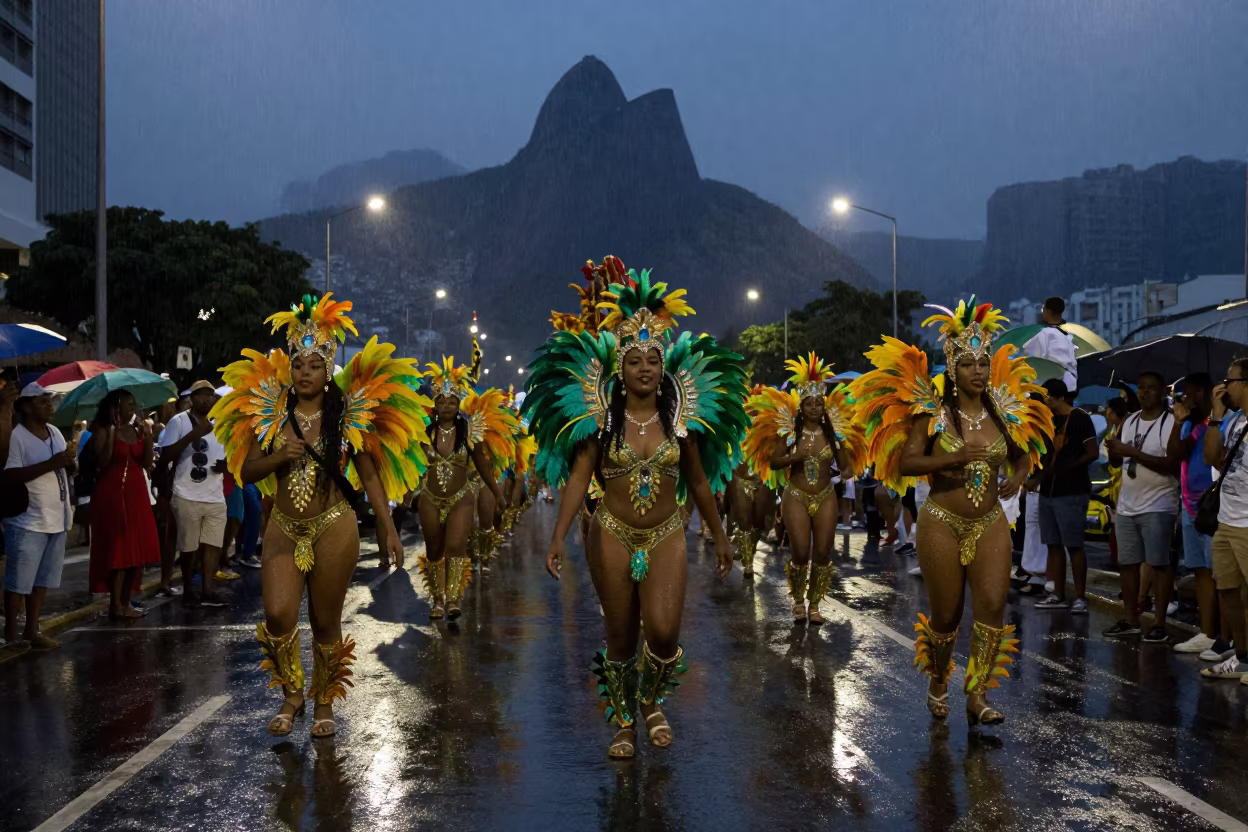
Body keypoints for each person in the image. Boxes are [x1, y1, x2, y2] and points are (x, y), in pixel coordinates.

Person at [525, 261, 748, 759]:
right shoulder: (600, 423)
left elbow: (698, 483)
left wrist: (721, 535)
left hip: (668, 532)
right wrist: (559, 536)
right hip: (611, 532)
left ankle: (650, 700)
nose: (645, 367)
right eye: (634, 360)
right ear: (620, 369)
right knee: (621, 635)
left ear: (663, 366)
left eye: (653, 358)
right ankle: (626, 721)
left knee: (665, 632)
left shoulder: (681, 422)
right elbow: (579, 479)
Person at [213, 293, 425, 737]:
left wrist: (387, 528)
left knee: (326, 620)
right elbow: (248, 471)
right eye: (299, 364)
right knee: (278, 614)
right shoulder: (270, 414)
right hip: (284, 527)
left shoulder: (347, 416)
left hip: (334, 524)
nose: (305, 372)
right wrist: (278, 457)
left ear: (328, 369)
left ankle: (323, 701)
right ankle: (291, 692)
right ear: (289, 368)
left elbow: (368, 478)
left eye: (314, 364)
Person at [851, 297, 1053, 726]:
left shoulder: (1004, 413)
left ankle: (977, 694)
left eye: (983, 364)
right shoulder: (935, 415)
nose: (978, 372)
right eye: (969, 365)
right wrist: (954, 460)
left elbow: (1022, 455)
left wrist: (1018, 476)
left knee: (994, 604)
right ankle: (939, 680)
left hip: (990, 520)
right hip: (941, 521)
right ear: (953, 371)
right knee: (947, 614)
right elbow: (908, 463)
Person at [743, 354, 862, 622]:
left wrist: (843, 472)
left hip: (825, 496)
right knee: (799, 550)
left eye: (820, 404)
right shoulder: (791, 433)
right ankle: (798, 602)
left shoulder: (834, 434)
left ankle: (815, 605)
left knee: (822, 551)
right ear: (802, 407)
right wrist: (793, 458)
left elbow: (846, 468)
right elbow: (774, 463)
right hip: (795, 495)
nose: (815, 408)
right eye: (810, 404)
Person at [416, 359, 513, 619]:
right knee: (434, 550)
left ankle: (453, 599)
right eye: (441, 401)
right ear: (434, 404)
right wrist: (405, 492)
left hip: (461, 498)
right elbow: (413, 464)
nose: (446, 406)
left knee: (456, 546)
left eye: (451, 402)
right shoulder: (424, 432)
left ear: (458, 405)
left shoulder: (468, 431)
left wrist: (497, 492)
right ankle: (437, 599)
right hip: (430, 498)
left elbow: (481, 464)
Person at [1103, 372, 1179, 642]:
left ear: (1162, 392)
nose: (1144, 393)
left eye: (1150, 388)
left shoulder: (1171, 422)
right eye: (1141, 388)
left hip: (1159, 503)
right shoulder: (1130, 421)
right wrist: (1114, 451)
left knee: (1159, 564)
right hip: (1128, 504)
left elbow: (1171, 465)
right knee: (1128, 564)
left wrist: (1131, 452)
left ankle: (1159, 623)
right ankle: (1131, 619)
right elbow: (1115, 463)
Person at [2, 383, 76, 653]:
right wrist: (53, 463)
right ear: (26, 406)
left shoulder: (55, 432)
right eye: (43, 402)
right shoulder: (17, 436)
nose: (49, 406)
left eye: (49, 401)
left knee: (42, 580)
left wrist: (69, 461)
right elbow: (11, 475)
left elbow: (64, 467)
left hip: (57, 517)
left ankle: (32, 629)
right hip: (28, 519)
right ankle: (11, 634)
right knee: (18, 581)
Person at [86, 389, 160, 620]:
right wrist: (110, 434)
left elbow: (147, 463)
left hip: (136, 494)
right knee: (119, 549)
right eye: (128, 404)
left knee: (134, 550)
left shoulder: (136, 430)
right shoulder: (102, 429)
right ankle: (115, 604)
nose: (133, 408)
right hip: (113, 494)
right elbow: (102, 463)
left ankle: (126, 601)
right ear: (115, 406)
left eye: (133, 403)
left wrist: (147, 436)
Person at [1168, 374, 1227, 655]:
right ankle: (1206, 632)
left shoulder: (1221, 422)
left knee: (1222, 574)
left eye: (1191, 394)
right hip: (1190, 508)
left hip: (1213, 507)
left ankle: (1226, 637)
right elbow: (1175, 455)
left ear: (1205, 394)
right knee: (1201, 570)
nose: (1186, 399)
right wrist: (1180, 421)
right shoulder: (1190, 424)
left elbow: (1211, 457)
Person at [159, 380, 230, 609]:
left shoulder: (221, 423)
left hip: (215, 494)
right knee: (188, 547)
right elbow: (166, 455)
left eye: (210, 395)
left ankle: (207, 590)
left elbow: (230, 454)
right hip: (186, 493)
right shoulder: (178, 421)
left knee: (212, 544)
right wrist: (193, 435)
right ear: (192, 397)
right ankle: (189, 588)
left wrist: (225, 466)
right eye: (201, 395)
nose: (206, 399)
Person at [1033, 379, 1099, 614]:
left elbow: (1093, 452)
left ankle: (1080, 597)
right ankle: (1058, 594)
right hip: (1049, 490)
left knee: (1074, 545)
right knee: (1053, 544)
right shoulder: (1048, 420)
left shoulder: (1080, 417)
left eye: (1048, 397)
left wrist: (1070, 466)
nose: (1045, 402)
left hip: (1072, 491)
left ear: (1059, 397)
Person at [1023, 296, 1077, 392]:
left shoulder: (1042, 334)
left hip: (1048, 388)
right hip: (1069, 386)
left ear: (1048, 311)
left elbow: (1030, 356)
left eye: (1043, 309)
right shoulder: (1069, 334)